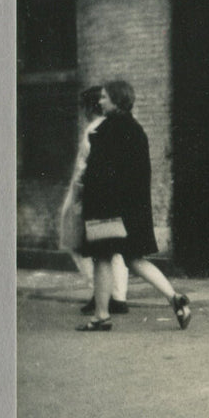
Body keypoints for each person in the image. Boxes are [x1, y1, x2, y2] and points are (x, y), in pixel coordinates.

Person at [76, 80, 191, 332]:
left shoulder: (106, 131)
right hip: (133, 210)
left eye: (105, 97)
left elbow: (99, 175)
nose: (100, 101)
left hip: (107, 209)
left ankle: (101, 316)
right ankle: (175, 298)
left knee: (102, 258)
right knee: (134, 259)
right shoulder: (136, 129)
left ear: (116, 100)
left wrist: (89, 203)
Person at [60, 86, 129, 314]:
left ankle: (100, 293)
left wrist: (78, 195)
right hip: (114, 194)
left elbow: (84, 167)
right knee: (113, 247)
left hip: (90, 195)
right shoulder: (114, 126)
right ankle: (118, 295)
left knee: (79, 243)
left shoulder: (93, 129)